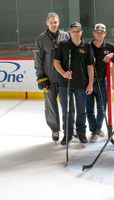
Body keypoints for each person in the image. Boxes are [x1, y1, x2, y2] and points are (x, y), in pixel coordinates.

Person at [53, 22, 94, 145]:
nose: (75, 33)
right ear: (70, 32)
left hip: (82, 84)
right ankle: (68, 133)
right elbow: (56, 62)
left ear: (81, 32)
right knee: (67, 110)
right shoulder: (63, 45)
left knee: (82, 110)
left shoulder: (86, 46)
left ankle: (81, 132)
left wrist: (90, 83)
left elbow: (90, 66)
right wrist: (63, 73)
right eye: (73, 31)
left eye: (78, 31)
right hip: (65, 84)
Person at [34, 12, 69, 142]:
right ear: (47, 23)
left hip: (64, 78)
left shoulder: (65, 36)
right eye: (51, 22)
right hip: (48, 78)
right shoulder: (41, 39)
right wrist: (41, 77)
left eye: (55, 22)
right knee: (51, 105)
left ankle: (70, 128)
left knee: (68, 105)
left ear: (58, 23)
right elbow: (38, 59)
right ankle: (55, 129)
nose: (53, 25)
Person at [87, 23, 114, 143]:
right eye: (97, 32)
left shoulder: (109, 46)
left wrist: (112, 54)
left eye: (101, 32)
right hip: (88, 83)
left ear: (105, 34)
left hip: (102, 83)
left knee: (102, 108)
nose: (99, 34)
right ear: (94, 33)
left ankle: (97, 128)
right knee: (89, 108)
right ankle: (94, 130)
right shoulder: (87, 46)